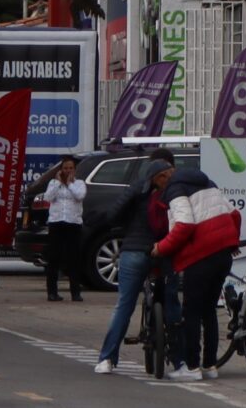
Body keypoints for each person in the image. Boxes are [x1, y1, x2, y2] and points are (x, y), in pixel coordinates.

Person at [152, 159, 241, 381]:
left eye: (156, 183)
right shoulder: (209, 183)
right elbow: (235, 215)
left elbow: (185, 225)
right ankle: (210, 366)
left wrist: (161, 248)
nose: (158, 189)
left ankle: (191, 368)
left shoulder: (175, 189)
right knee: (209, 310)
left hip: (201, 256)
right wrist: (232, 242)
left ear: (163, 177)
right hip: (222, 255)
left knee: (191, 311)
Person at [93, 150, 175, 374]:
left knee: (124, 305)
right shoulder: (176, 190)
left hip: (134, 250)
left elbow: (114, 214)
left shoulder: (137, 188)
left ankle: (107, 359)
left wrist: (122, 226)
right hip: (165, 250)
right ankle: (181, 361)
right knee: (172, 302)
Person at [34, 157, 91, 301]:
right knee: (54, 258)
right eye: (65, 168)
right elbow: (48, 197)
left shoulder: (79, 183)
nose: (68, 171)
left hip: (73, 223)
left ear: (74, 170)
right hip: (56, 222)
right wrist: (59, 182)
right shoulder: (54, 183)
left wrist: (69, 184)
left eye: (70, 168)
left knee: (73, 258)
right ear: (61, 170)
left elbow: (80, 196)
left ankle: (75, 292)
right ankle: (52, 292)